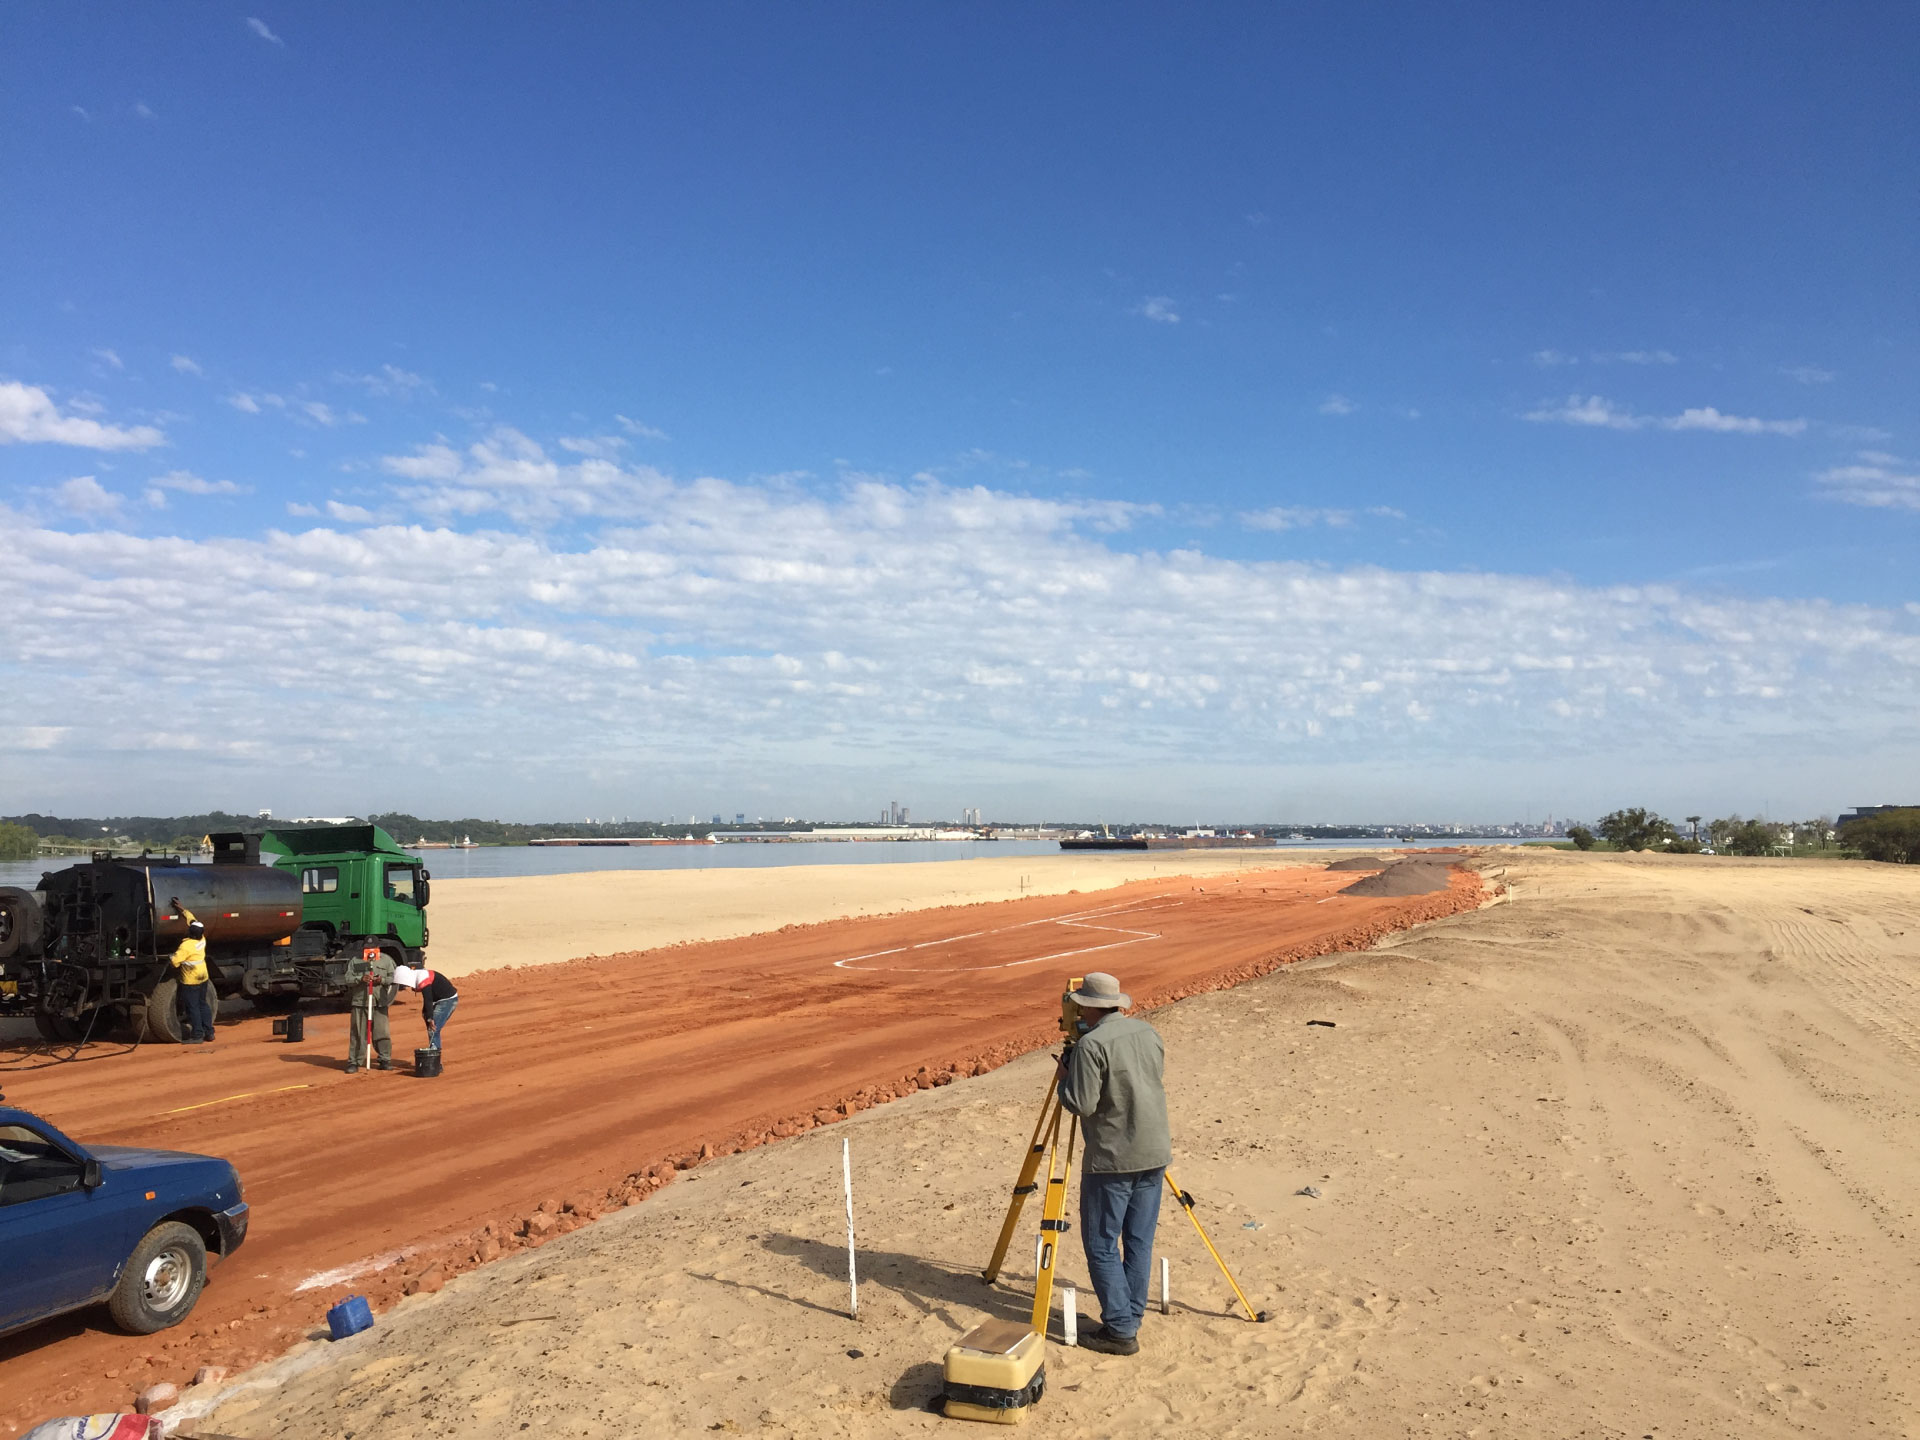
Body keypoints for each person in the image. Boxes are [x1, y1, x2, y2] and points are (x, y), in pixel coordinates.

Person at [1055, 971, 1170, 1356]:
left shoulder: (1092, 1046)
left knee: (1102, 1244)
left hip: (1113, 1159)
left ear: (1088, 1006)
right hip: (1154, 1152)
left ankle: (1120, 1329)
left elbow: (1081, 1104)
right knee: (1138, 1241)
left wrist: (1064, 1079)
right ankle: (1129, 1315)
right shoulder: (1148, 1033)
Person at [166, 897, 215, 1045]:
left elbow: (175, 962)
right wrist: (182, 909)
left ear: (190, 933)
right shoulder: (202, 939)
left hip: (191, 980)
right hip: (203, 977)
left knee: (192, 1007)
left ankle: (197, 1035)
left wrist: (170, 956)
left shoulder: (186, 947)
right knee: (203, 1005)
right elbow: (192, 920)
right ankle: (209, 1032)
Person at [346, 945, 397, 1074]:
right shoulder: (355, 961)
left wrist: (382, 980)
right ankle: (354, 1062)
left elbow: (394, 978)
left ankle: (385, 1060)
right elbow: (347, 979)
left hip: (379, 1002)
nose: (370, 951)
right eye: (367, 948)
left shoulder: (386, 960)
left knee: (382, 1032)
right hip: (360, 1002)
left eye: (373, 948)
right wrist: (360, 979)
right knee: (358, 1033)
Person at [394, 964, 458, 1057]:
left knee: (433, 1028)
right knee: (426, 1016)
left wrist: (430, 1018)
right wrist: (427, 1016)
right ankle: (434, 1052)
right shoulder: (418, 974)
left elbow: (427, 999)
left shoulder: (422, 978)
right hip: (438, 999)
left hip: (447, 1000)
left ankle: (434, 1058)